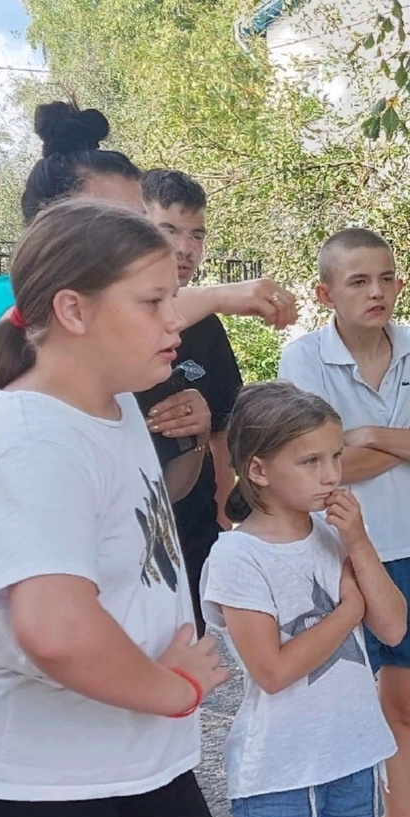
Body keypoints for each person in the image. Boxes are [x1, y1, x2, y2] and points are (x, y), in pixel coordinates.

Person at [0, 100, 297, 665]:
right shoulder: (11, 322)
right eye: (116, 221)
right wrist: (166, 686)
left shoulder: (109, 386)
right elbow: (56, 631)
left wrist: (192, 428)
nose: (137, 241)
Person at [0, 198, 230, 817]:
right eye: (152, 303)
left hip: (126, 768)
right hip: (40, 784)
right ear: (73, 309)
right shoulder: (34, 444)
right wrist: (174, 690)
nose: (173, 325)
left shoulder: (113, 400)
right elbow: (58, 632)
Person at [277, 228, 410, 817]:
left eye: (387, 278)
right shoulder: (303, 357)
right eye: (359, 280)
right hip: (336, 551)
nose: (376, 291)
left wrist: (371, 435)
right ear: (326, 292)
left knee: (405, 707)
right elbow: (315, 467)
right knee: (341, 706)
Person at [200, 381, 407, 817]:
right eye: (310, 461)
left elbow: (393, 628)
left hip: (356, 755)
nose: (331, 475)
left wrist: (359, 541)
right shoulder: (238, 555)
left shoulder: (334, 533)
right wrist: (350, 610)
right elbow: (272, 671)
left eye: (335, 456)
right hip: (281, 775)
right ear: (258, 470)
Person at [135, 169, 244, 632]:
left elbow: (222, 432)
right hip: (131, 542)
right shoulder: (110, 326)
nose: (185, 248)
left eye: (196, 234)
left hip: (195, 538)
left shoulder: (206, 326)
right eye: (168, 231)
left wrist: (222, 524)